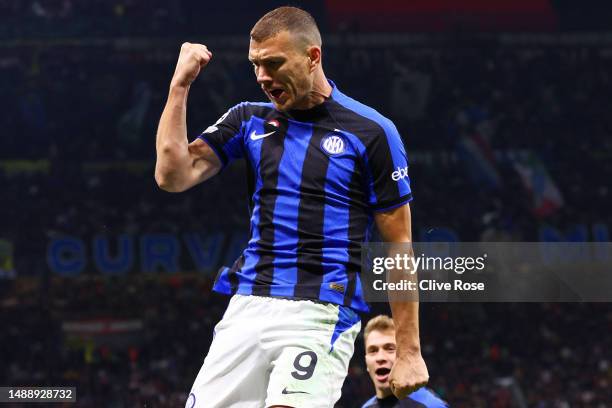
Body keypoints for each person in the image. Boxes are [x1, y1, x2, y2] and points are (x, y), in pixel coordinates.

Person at [155, 6, 428, 408]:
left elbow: (399, 246)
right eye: (255, 65)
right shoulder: (248, 120)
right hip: (247, 304)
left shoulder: (371, 132)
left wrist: (409, 350)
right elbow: (172, 175)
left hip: (320, 311)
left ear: (312, 57)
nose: (263, 77)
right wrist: (180, 84)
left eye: (274, 64)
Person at [362, 315, 448, 408]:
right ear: (366, 362)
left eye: (390, 349)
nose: (380, 357)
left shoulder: (431, 405)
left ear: (404, 356)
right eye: (373, 351)